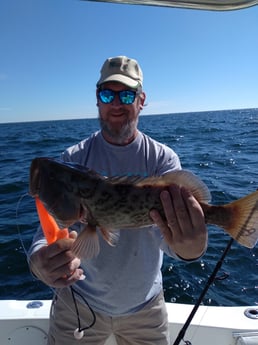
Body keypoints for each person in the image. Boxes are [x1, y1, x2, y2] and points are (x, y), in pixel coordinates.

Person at [29, 55, 207, 345]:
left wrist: (193, 247)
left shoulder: (162, 159)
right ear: (97, 99)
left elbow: (174, 245)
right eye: (106, 94)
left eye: (126, 94)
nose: (116, 103)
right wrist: (40, 262)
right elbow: (47, 232)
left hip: (146, 309)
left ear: (141, 100)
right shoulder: (74, 159)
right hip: (77, 304)